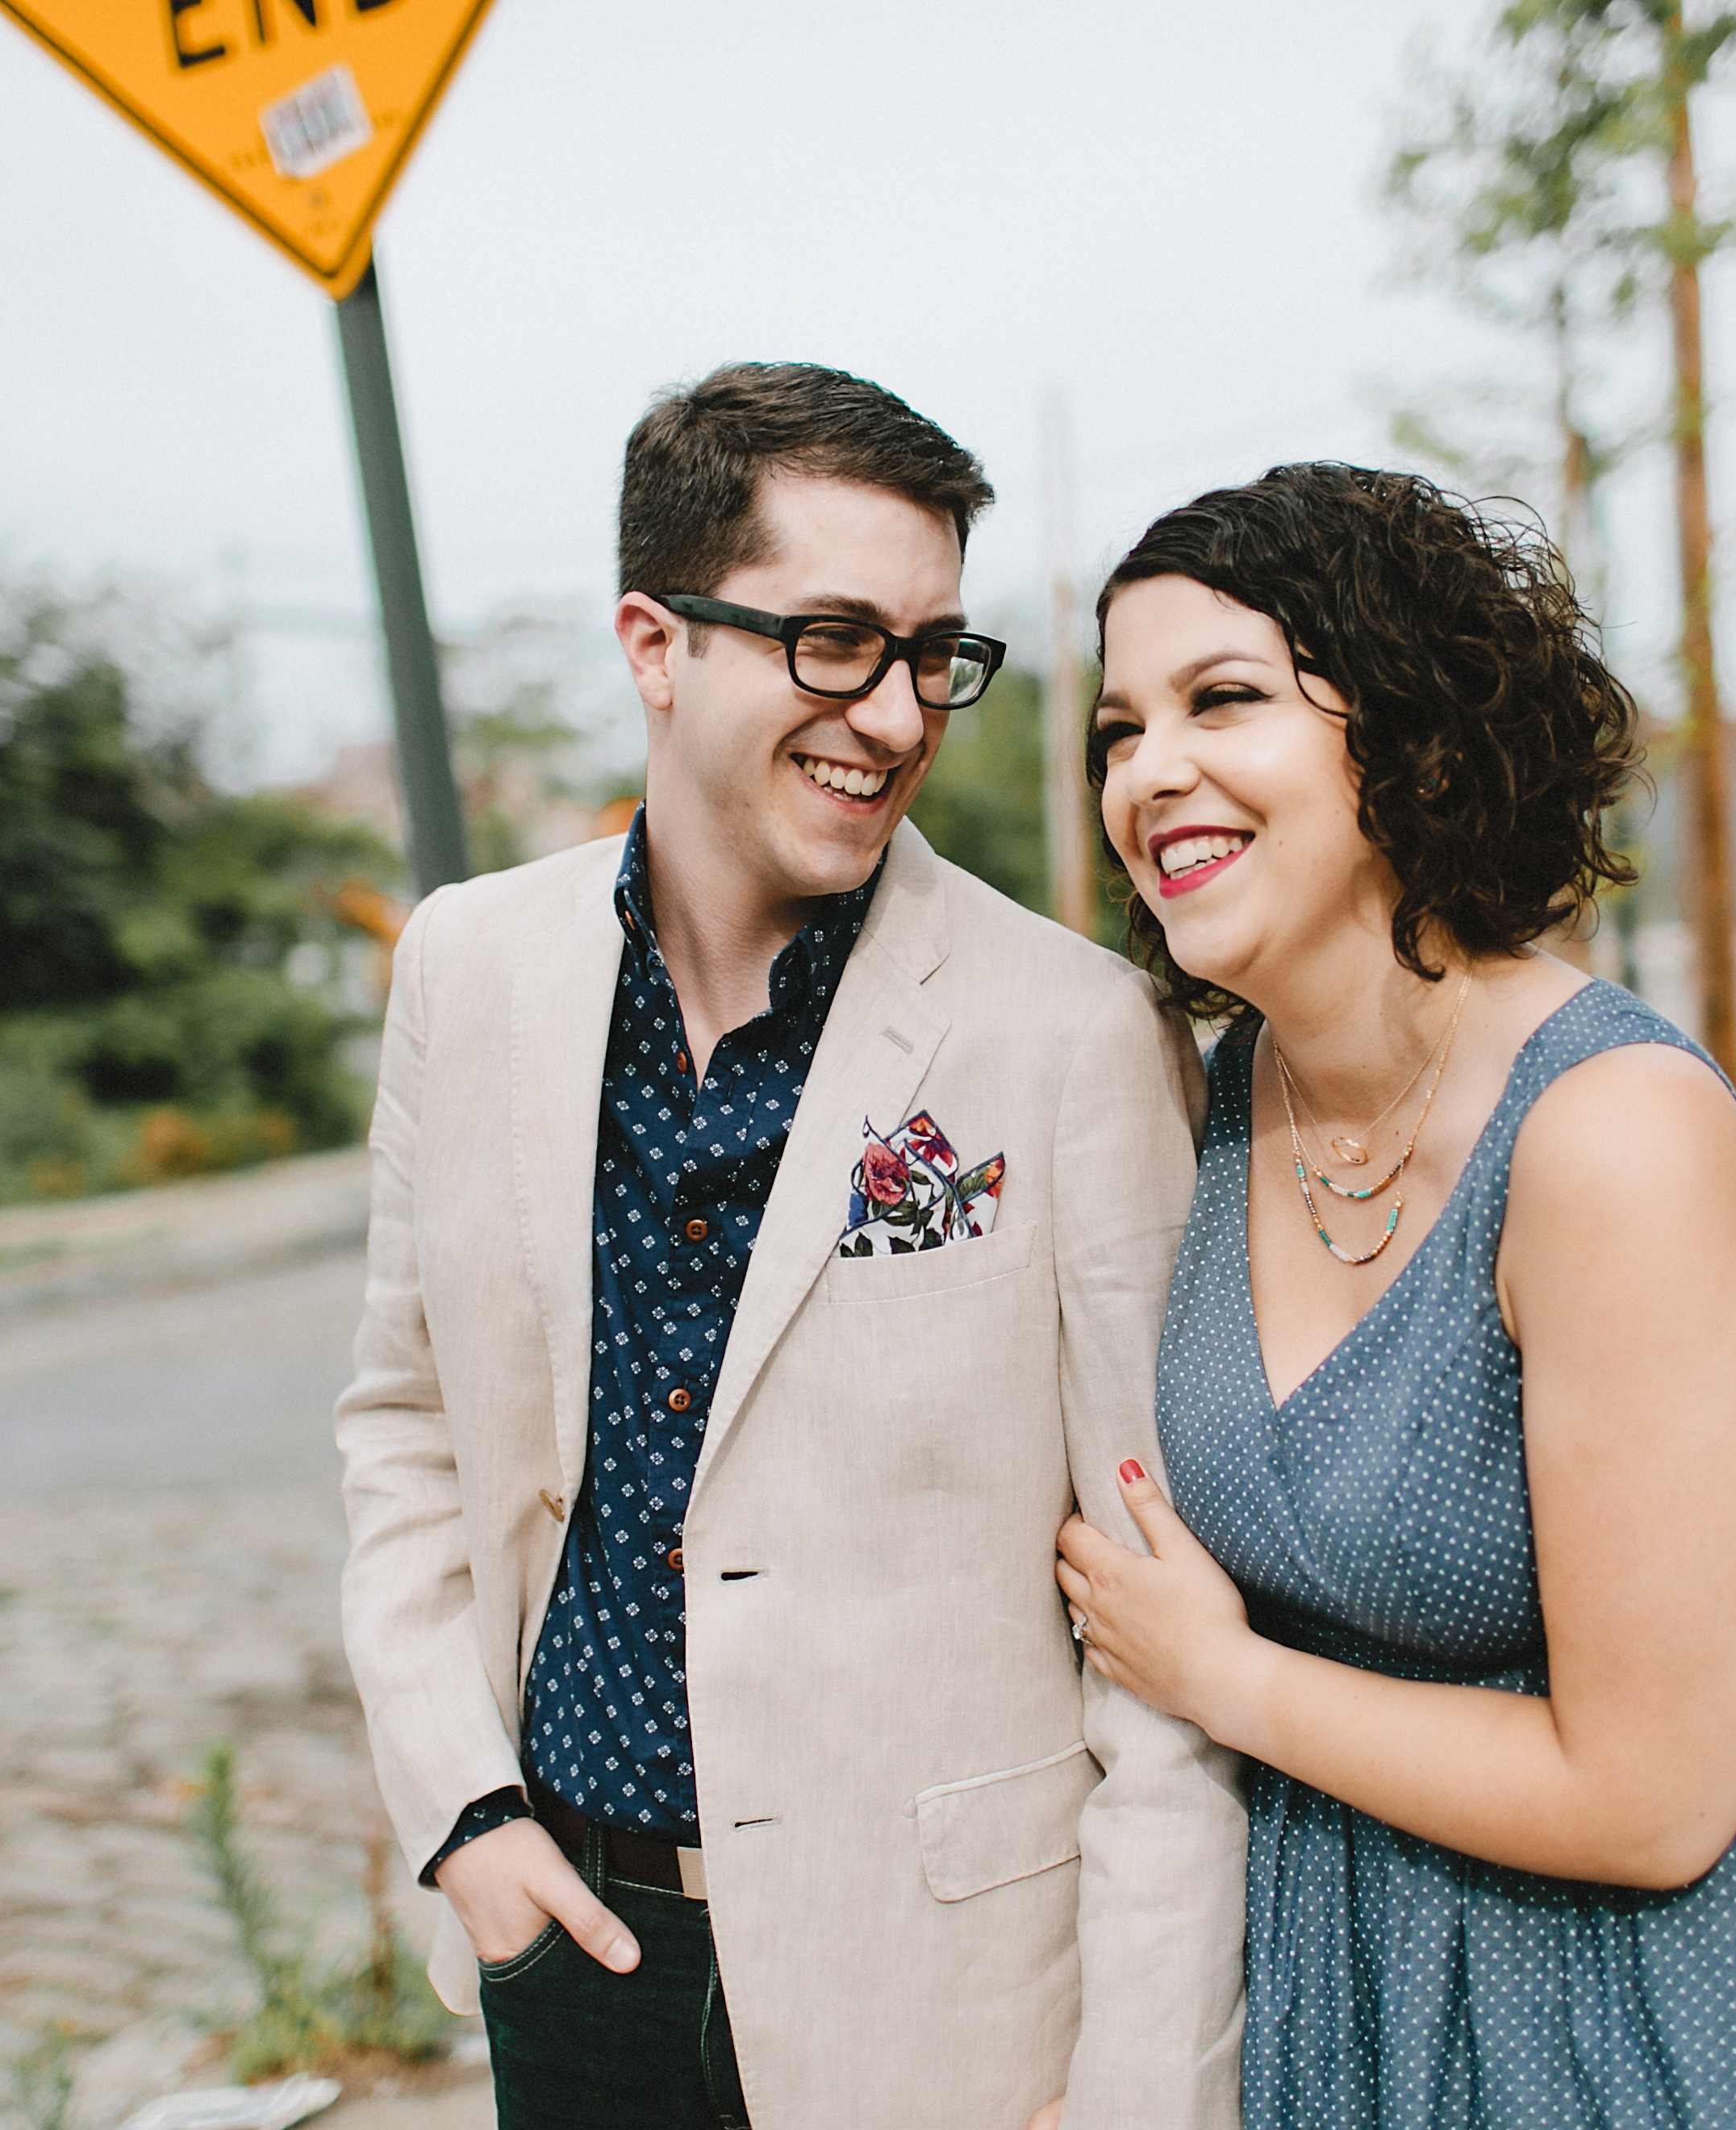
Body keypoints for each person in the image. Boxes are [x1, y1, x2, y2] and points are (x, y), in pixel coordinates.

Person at [1055, 463, 1736, 2126]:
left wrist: (1226, 1679)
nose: (1148, 772)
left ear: (1406, 734)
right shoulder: (1215, 1102)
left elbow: (1655, 1800)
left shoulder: (1613, 1143)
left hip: (1689, 2009)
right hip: (1362, 1992)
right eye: (1118, 729)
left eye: (1223, 701)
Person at [334, 362, 1245, 2130]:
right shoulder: (467, 966)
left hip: (949, 2010)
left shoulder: (1074, 1033)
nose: (895, 714)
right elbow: (405, 1425)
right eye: (832, 640)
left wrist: (1136, 2093)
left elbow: (1167, 1637)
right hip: (574, 1951)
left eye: (931, 654)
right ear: (657, 645)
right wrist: (464, 1818)